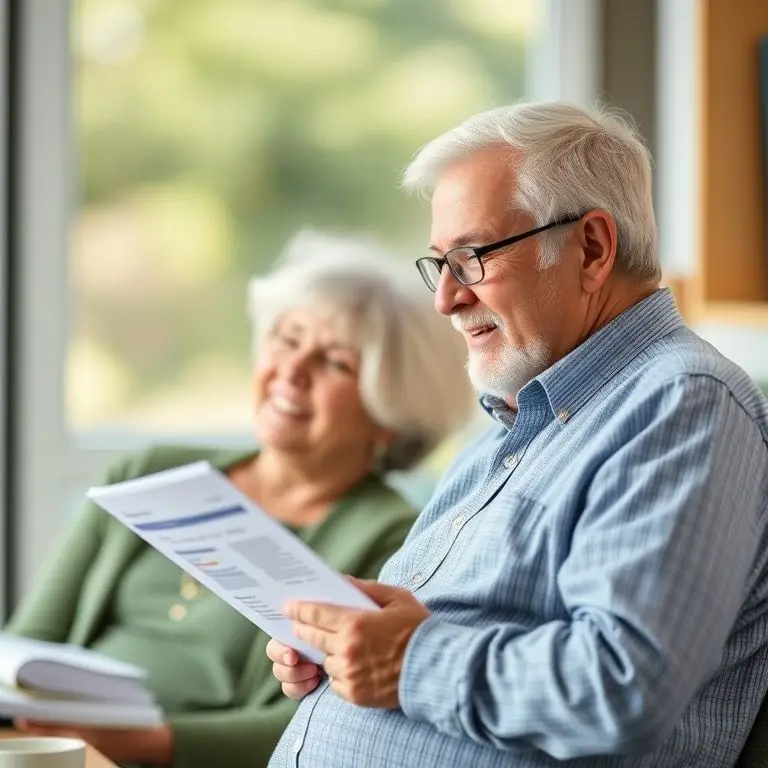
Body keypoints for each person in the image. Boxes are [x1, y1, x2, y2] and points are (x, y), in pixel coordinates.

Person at [266, 103, 768, 767]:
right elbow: (456, 641)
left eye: (472, 258)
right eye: (439, 263)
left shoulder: (684, 406)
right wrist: (351, 645)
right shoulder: (517, 422)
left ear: (591, 247)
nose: (445, 298)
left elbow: (621, 689)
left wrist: (407, 660)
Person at [4, 229, 476, 767]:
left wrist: (140, 743)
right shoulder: (149, 469)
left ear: (392, 411)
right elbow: (29, 645)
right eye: (288, 339)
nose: (292, 372)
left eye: (335, 363)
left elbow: (317, 719)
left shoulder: (393, 535)